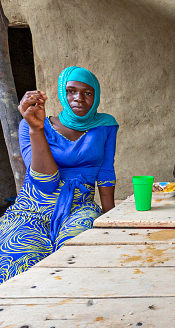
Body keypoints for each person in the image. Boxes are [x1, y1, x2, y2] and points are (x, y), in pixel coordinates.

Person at [0, 66, 118, 283]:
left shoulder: (105, 125)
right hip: (32, 208)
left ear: (96, 96)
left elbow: (105, 171)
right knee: (17, 265)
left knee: (75, 262)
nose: (79, 98)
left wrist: (112, 219)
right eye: (71, 91)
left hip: (79, 207)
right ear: (62, 94)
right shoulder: (31, 125)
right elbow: (46, 183)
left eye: (87, 93)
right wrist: (36, 129)